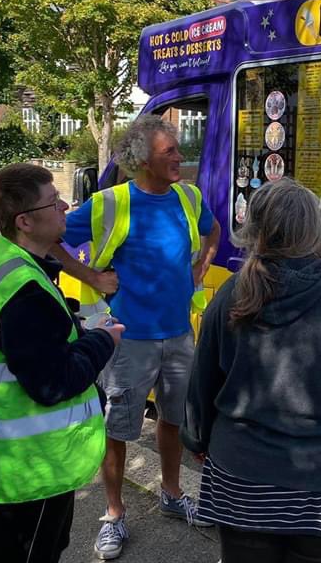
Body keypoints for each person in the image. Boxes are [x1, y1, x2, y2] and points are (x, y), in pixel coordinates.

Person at [181, 177, 321, 563]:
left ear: (254, 230)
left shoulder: (232, 293)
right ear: (317, 229)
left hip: (243, 478)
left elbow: (203, 379)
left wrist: (197, 438)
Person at [55, 116, 221, 560]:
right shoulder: (110, 202)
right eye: (170, 151)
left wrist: (203, 262)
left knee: (172, 420)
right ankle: (113, 515)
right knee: (118, 430)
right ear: (142, 159)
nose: (180, 158)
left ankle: (171, 493)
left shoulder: (188, 196)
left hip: (179, 334)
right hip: (127, 339)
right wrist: (89, 274)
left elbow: (213, 229)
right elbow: (49, 237)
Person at [0, 163, 124, 563]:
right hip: (33, 464)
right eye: (53, 201)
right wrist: (102, 340)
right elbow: (52, 384)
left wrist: (71, 324)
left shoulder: (3, 257)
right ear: (25, 221)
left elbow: (22, 344)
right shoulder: (24, 290)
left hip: (9, 457)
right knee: (33, 554)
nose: (64, 205)